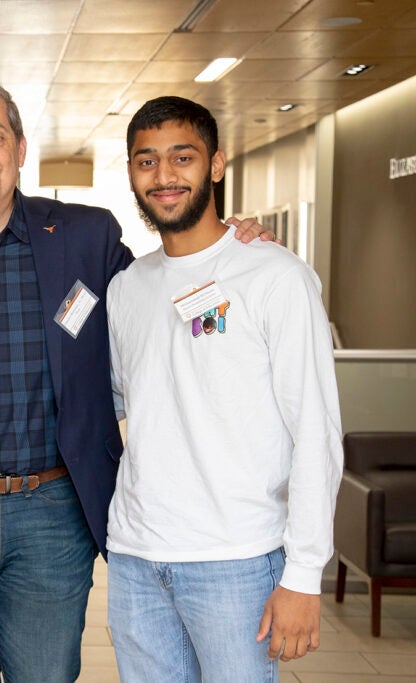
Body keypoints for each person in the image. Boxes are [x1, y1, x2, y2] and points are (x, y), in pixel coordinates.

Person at [0, 77, 272, 682]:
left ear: (20, 148)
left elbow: (167, 289)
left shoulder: (85, 237)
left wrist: (232, 248)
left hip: (51, 511)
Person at [105, 96, 343, 682]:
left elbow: (317, 432)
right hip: (137, 558)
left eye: (182, 157)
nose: (164, 176)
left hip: (235, 560)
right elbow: (113, 400)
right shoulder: (127, 287)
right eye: (146, 161)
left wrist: (304, 573)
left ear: (215, 165)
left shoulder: (274, 276)